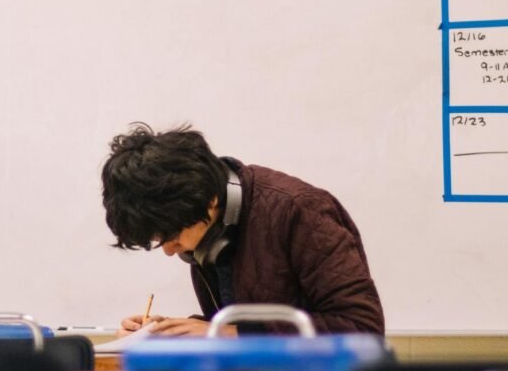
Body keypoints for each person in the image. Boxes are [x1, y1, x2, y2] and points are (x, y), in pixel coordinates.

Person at [101, 123, 384, 337]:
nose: (169, 251)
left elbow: (362, 328)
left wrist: (228, 334)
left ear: (209, 200)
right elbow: (246, 323)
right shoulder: (211, 231)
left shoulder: (300, 210)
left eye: (172, 237)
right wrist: (172, 332)